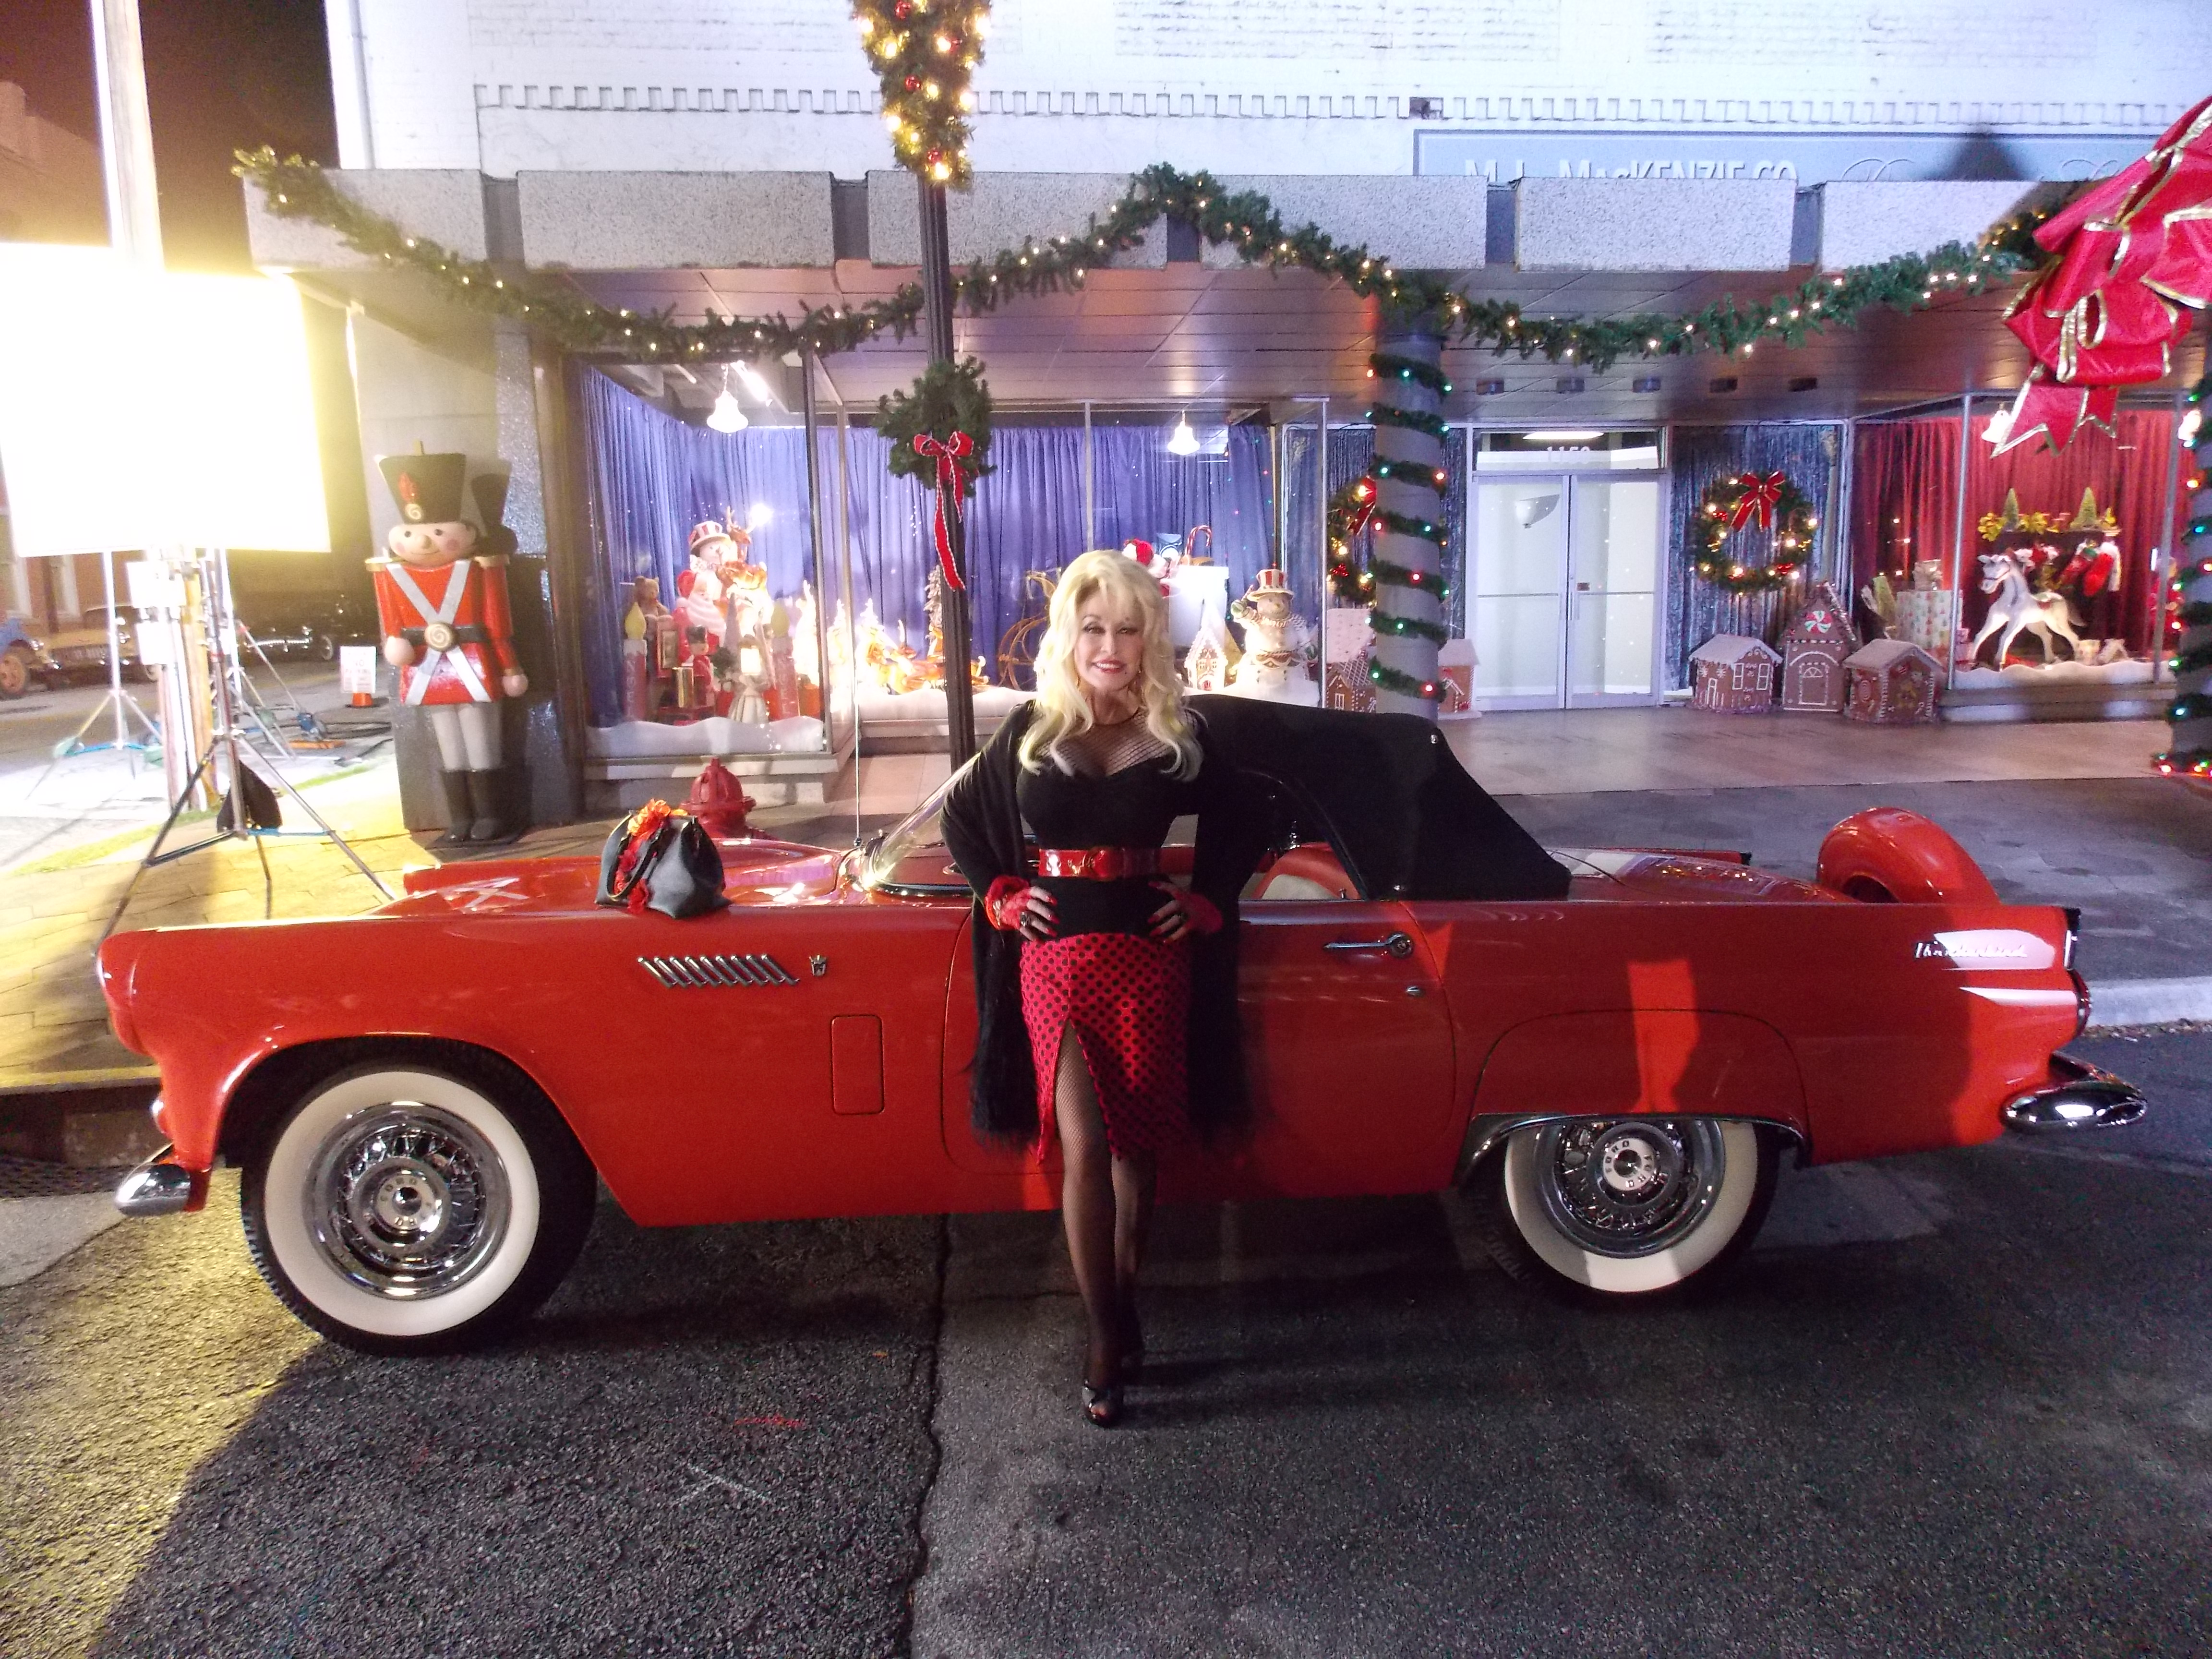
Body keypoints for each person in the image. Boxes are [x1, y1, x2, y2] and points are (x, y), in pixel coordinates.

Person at [943, 550, 1249, 1428]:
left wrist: (1207, 903)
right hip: (1056, 966)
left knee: (1135, 1148)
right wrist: (999, 895)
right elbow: (965, 819)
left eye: (1126, 628)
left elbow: (1251, 817)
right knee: (1083, 1143)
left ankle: (1124, 1301)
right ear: (1068, 637)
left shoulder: (1176, 733)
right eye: (1093, 628)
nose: (1109, 646)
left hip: (1148, 962)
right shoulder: (1033, 728)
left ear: (1147, 636)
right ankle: (1105, 1333)